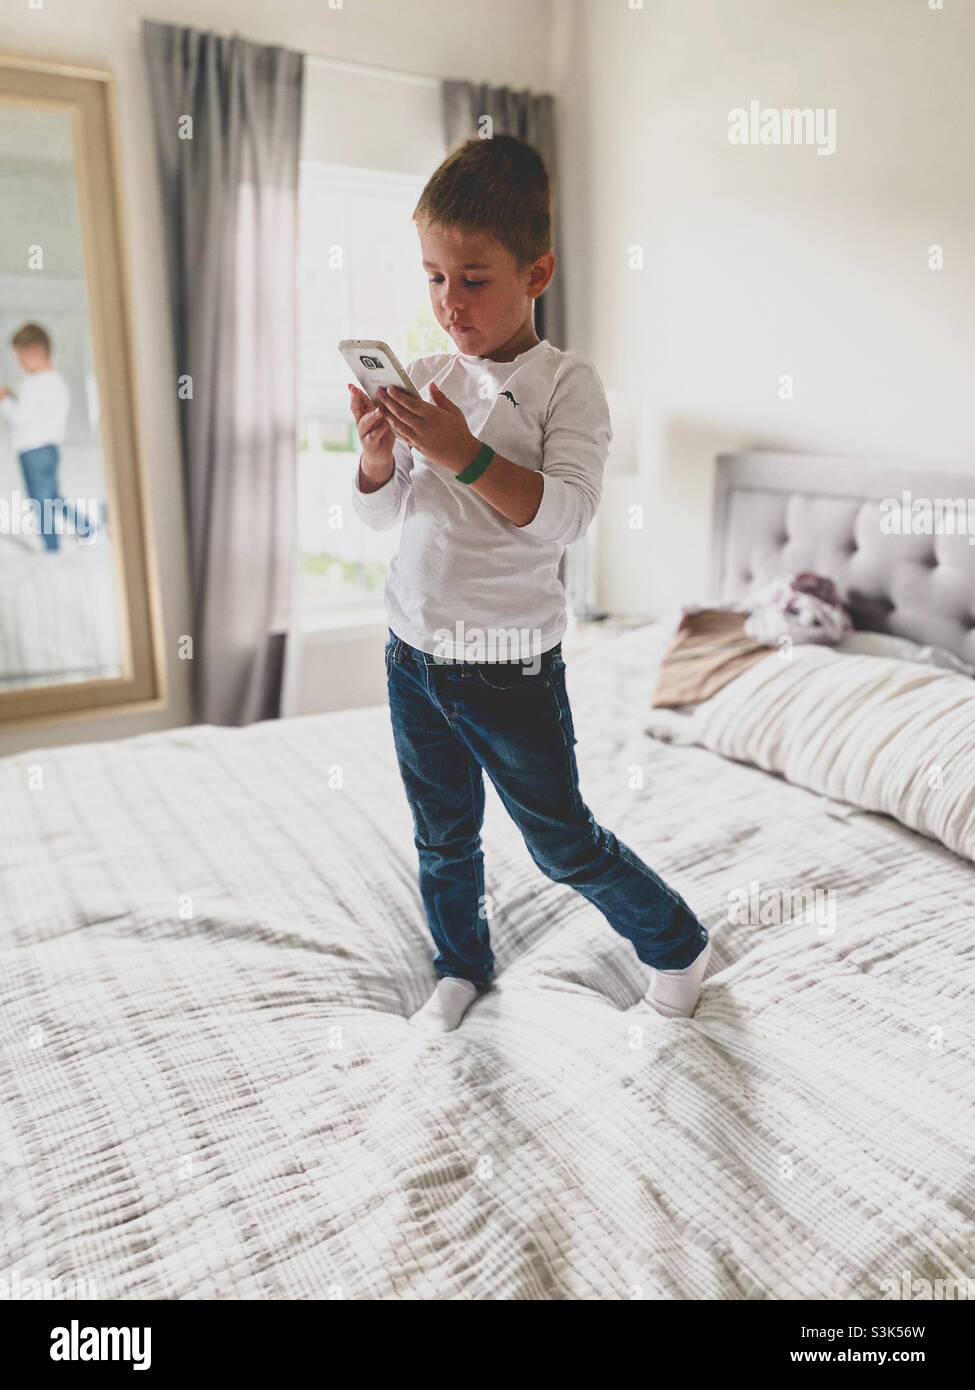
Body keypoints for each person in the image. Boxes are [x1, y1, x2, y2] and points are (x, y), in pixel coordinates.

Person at [349, 136, 711, 1033]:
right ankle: (460, 965)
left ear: (537, 270)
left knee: (558, 841)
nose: (448, 302)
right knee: (442, 836)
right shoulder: (428, 377)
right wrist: (375, 458)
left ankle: (675, 944)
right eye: (433, 278)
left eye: (473, 279)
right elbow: (381, 517)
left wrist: (461, 452)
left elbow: (563, 518)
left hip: (508, 664)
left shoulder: (565, 385)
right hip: (412, 657)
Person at [0, 323, 72, 552]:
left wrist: (5, 400)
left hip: (32, 451)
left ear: (32, 353)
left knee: (41, 502)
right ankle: (88, 527)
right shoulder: (58, 382)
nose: (20, 362)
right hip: (51, 448)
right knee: (52, 497)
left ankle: (52, 546)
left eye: (20, 357)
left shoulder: (33, 384)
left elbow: (20, 417)